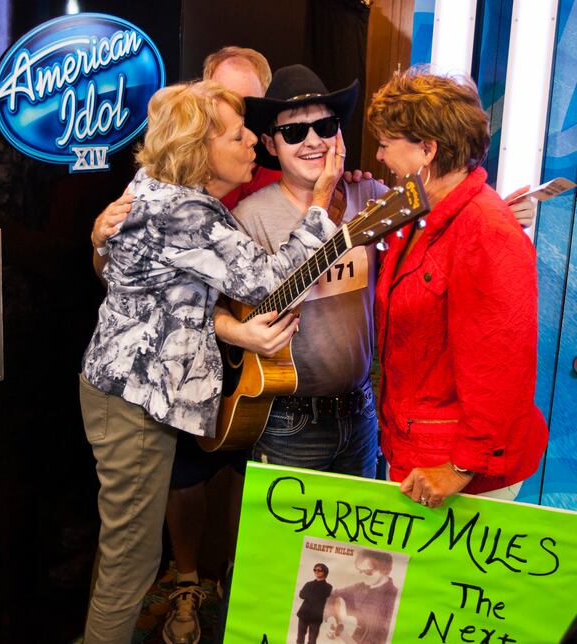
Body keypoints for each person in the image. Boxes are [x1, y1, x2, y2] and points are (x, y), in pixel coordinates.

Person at [80, 79, 345, 644]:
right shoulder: (187, 210)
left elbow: (159, 298)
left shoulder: (159, 189)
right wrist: (322, 200)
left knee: (122, 551)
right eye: (239, 132)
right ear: (201, 149)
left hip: (123, 393)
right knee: (130, 564)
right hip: (130, 404)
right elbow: (270, 279)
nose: (254, 141)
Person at [367, 69, 548, 508]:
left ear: (427, 149)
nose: (378, 155)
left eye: (387, 144)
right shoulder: (425, 215)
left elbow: (500, 368)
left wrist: (459, 468)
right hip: (416, 454)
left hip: (456, 471)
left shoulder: (485, 230)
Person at [216, 64, 384, 477]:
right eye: (294, 132)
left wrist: (502, 214)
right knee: (288, 544)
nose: (313, 142)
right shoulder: (248, 218)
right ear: (272, 145)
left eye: (324, 126)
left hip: (361, 412)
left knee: (357, 545)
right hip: (288, 421)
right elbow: (205, 309)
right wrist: (239, 332)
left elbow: (431, 240)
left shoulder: (371, 195)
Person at [324, 550, 398, 644]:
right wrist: (331, 619)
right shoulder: (358, 588)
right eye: (360, 571)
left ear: (384, 570)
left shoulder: (395, 598)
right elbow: (331, 596)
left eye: (367, 572)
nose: (362, 576)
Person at [296, 563, 333, 644]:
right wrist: (312, 596)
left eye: (319, 570)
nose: (316, 571)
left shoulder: (328, 587)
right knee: (300, 638)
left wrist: (308, 595)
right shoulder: (308, 584)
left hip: (316, 617)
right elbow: (301, 595)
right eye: (315, 569)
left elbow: (319, 596)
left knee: (312, 640)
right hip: (303, 614)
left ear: (325, 572)